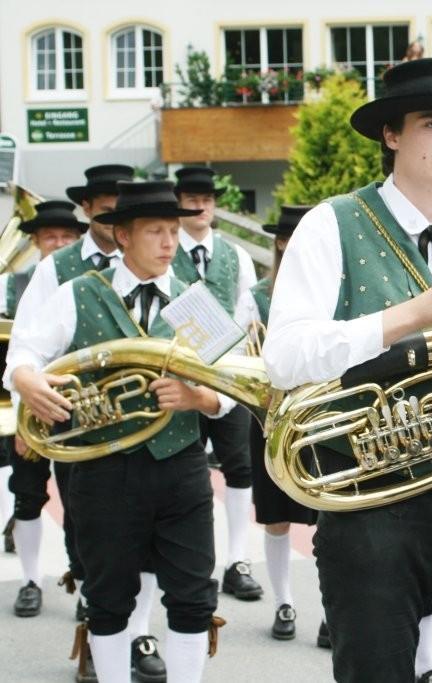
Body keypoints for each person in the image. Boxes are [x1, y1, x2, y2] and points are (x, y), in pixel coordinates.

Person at [262, 58, 432, 683]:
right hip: (370, 501)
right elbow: (283, 357)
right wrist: (409, 315)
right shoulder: (329, 224)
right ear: (391, 134)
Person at [9, 180, 231, 683]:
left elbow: (233, 383)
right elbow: (24, 351)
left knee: (194, 596)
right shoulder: (79, 293)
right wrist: (26, 379)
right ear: (124, 236)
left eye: (174, 230)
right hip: (101, 468)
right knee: (107, 598)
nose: (170, 243)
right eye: (156, 231)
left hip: (180, 464)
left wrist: (198, 398)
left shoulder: (192, 300)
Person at [5, 164, 135, 681]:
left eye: (122, 209)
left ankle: (136, 635)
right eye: (104, 209)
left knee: (150, 541)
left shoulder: (157, 260)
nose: (114, 218)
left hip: (153, 425)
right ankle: (94, 634)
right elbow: (25, 350)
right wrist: (26, 409)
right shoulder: (55, 269)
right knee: (87, 533)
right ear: (88, 210)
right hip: (79, 423)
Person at [233, 205, 330, 649]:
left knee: (330, 520)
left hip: (324, 414)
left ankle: (331, 610)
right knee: (275, 518)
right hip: (271, 415)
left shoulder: (331, 287)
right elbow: (239, 352)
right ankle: (283, 603)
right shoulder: (256, 296)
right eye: (294, 239)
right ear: (280, 243)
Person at [171, 166, 262, 605]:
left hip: (228, 376)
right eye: (191, 199)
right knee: (186, 470)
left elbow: (248, 313)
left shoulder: (235, 255)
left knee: (240, 466)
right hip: (179, 375)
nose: (201, 206)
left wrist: (236, 366)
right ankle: (196, 562)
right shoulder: (164, 251)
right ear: (178, 205)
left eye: (206, 199)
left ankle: (237, 560)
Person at [2, 200, 86, 614]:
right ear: (35, 241)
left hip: (79, 404)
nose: (58, 243)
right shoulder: (14, 283)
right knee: (27, 494)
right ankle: (31, 580)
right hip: (29, 405)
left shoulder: (89, 278)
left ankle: (83, 581)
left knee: (79, 501)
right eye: (50, 236)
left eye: (66, 236)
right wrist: (21, 417)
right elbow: (17, 351)